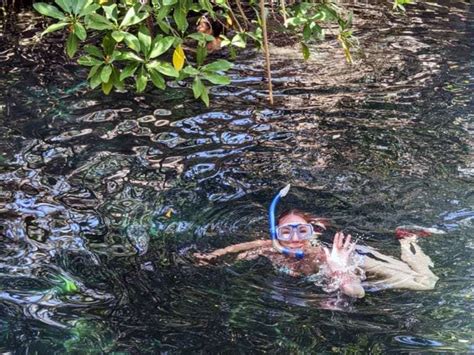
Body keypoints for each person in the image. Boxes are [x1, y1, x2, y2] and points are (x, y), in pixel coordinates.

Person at [194, 185, 440, 298]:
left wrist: (338, 268)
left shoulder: (321, 255)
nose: (294, 240)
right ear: (275, 233)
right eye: (286, 233)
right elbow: (235, 248)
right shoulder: (269, 246)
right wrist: (211, 257)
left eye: (302, 231)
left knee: (425, 282)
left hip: (353, 259)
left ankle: (407, 241)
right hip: (340, 263)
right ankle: (405, 239)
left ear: (312, 232)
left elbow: (356, 294)